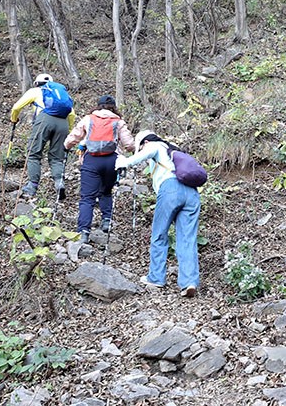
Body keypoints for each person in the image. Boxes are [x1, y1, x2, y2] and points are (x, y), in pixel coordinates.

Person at [115, 130, 200, 298]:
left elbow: (146, 153)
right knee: (187, 239)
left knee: (159, 234)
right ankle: (189, 282)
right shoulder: (174, 151)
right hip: (192, 194)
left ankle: (156, 277)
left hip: (170, 190)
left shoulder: (154, 146)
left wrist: (125, 161)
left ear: (144, 142)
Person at [63, 95, 134, 244]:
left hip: (92, 160)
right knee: (106, 191)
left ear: (98, 106)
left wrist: (66, 146)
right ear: (113, 107)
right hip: (111, 161)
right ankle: (106, 220)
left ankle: (83, 232)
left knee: (87, 198)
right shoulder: (118, 121)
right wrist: (134, 150)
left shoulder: (89, 119)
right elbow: (128, 144)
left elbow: (74, 136)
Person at [10, 74, 75, 200]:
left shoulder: (36, 91)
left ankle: (32, 186)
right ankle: (59, 183)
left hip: (44, 121)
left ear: (36, 83)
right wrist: (70, 130)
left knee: (33, 153)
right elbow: (72, 115)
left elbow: (16, 107)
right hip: (63, 123)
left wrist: (14, 119)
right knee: (57, 157)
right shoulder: (62, 95)